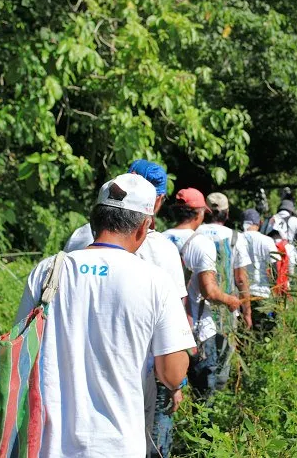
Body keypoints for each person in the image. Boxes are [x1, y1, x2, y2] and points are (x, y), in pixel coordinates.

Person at [16, 174, 194, 457]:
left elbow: (22, 353)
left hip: (45, 445)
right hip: (118, 445)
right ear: (143, 228)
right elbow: (172, 374)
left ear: (93, 220)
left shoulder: (47, 271)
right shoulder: (156, 282)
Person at [61, 160, 187, 457]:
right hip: (129, 394)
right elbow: (171, 355)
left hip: (65, 397)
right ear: (155, 202)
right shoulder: (162, 253)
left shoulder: (71, 246)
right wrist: (175, 384)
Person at [197, 192, 253, 390]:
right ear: (226, 214)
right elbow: (240, 278)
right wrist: (247, 311)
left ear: (206, 211)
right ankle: (216, 403)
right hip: (226, 311)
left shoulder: (195, 232)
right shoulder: (235, 237)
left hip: (195, 310)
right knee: (222, 360)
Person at [241, 208, 280, 332]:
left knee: (244, 331)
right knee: (263, 331)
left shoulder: (236, 239)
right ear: (259, 223)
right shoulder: (267, 241)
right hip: (262, 292)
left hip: (241, 293)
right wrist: (274, 288)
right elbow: (275, 268)